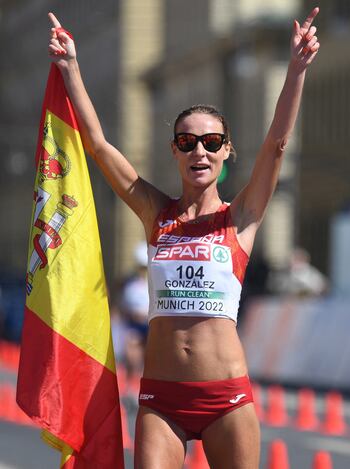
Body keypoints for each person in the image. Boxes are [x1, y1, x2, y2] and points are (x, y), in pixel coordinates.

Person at [48, 8, 320, 468]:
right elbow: (97, 144)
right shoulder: (156, 212)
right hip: (161, 399)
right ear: (175, 149)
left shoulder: (242, 217)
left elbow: (276, 144)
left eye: (212, 142)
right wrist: (70, 67)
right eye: (188, 142)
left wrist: (295, 70)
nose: (200, 150)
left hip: (226, 398)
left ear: (226, 151)